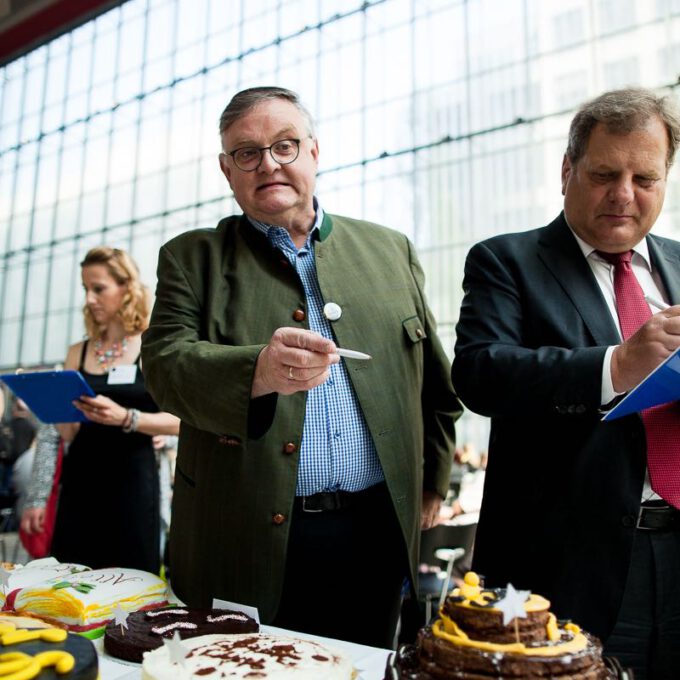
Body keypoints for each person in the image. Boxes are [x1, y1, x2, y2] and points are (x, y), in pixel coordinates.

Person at [141, 86, 461, 648]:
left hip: (376, 530)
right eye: (247, 152)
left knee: (363, 662)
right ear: (227, 169)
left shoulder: (390, 250)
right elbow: (164, 366)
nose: (268, 163)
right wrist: (257, 372)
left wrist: (434, 482)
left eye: (284, 145)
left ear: (314, 151)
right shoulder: (191, 258)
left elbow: (433, 380)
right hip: (243, 535)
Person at [451, 87, 680, 678]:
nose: (624, 195)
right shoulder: (508, 262)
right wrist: (616, 367)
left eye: (645, 179)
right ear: (566, 170)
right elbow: (481, 372)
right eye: (605, 174)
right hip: (570, 569)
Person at [23, 247, 180, 573]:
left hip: (133, 483)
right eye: (86, 289)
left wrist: (126, 417)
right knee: (71, 575)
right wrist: (51, 404)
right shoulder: (76, 353)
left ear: (127, 288)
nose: (90, 299)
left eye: (99, 288)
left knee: (130, 578)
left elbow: (181, 422)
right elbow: (63, 433)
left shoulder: (152, 346)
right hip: (81, 480)